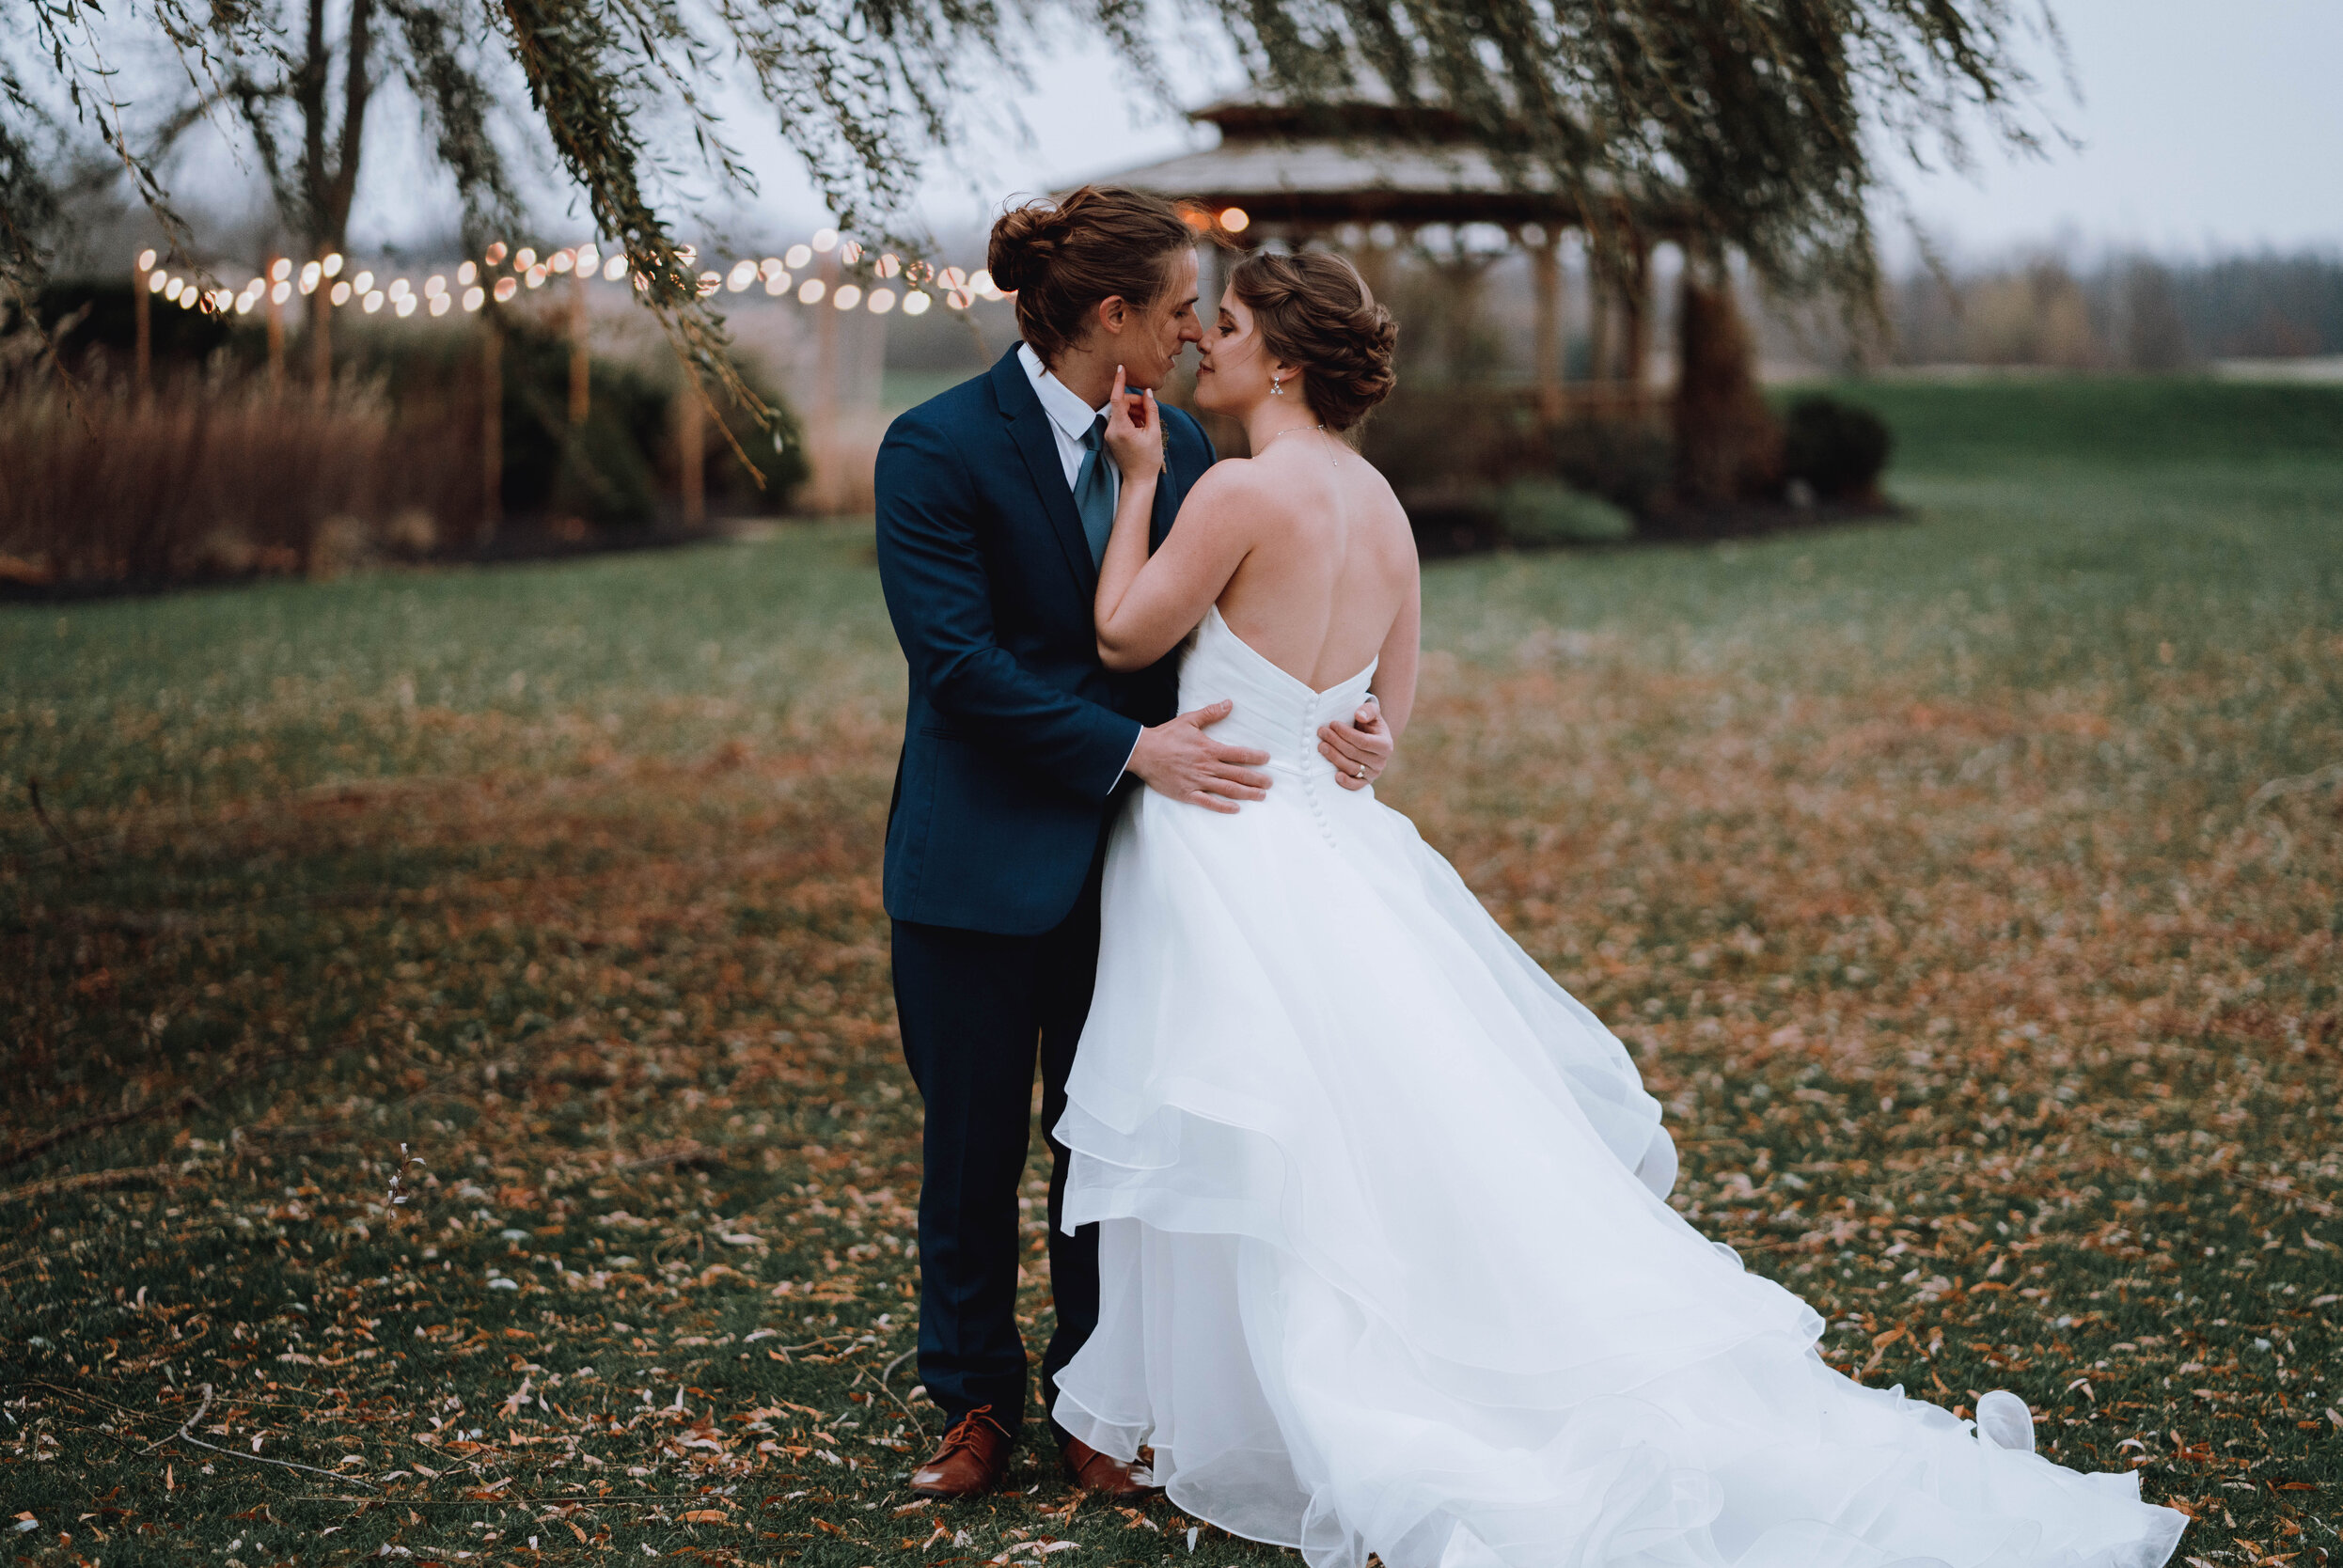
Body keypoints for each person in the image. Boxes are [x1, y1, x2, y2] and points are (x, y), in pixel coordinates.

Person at [1048, 247, 2190, 1568]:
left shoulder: (1237, 491)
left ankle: (1271, 1407)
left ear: (1286, 361)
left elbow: (1127, 638)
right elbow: (1384, 719)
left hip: (1235, 855)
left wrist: (1138, 489)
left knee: (1286, 1145)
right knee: (1373, 1138)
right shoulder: (1382, 506)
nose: (1206, 345)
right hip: (1341, 851)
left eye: (1229, 325)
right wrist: (1348, 732)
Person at [872, 186, 1397, 1501]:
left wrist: (1339, 724)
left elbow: (1226, 645)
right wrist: (1129, 750)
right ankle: (973, 1404)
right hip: (977, 862)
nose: (1189, 336)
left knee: (1108, 1148)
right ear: (1112, 318)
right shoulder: (933, 449)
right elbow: (959, 667)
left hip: (1150, 866)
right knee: (972, 1147)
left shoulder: (1209, 469)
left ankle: (1099, 1407)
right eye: (1175, 314)